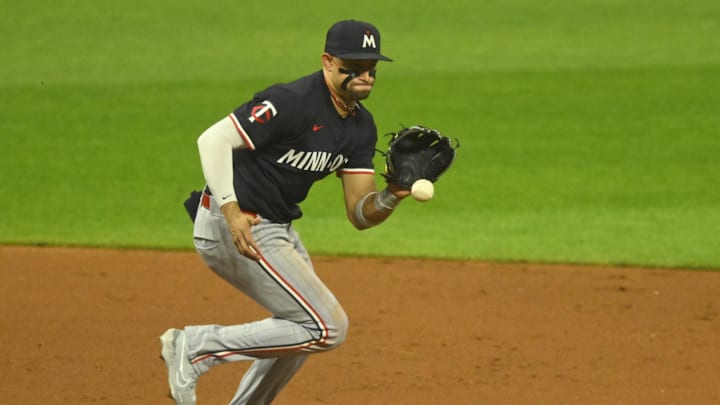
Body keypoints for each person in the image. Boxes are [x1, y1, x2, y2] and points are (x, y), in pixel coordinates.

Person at [160, 20, 409, 404]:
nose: (365, 75)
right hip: (235, 225)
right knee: (327, 327)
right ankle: (195, 347)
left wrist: (393, 194)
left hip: (276, 228)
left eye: (372, 67)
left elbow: (360, 214)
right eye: (354, 66)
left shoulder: (361, 127)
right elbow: (212, 140)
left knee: (303, 330)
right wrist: (230, 211)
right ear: (328, 62)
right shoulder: (291, 101)